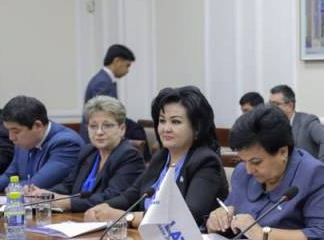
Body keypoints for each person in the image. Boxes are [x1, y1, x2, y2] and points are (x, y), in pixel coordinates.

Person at [206, 105, 324, 240]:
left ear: (282, 152)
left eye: (256, 162)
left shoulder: (314, 174)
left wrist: (262, 234)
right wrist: (216, 222)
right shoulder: (242, 173)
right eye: (244, 161)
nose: (249, 170)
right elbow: (231, 220)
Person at [85, 86, 227, 227]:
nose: (166, 128)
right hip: (143, 237)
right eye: (162, 121)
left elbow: (187, 216)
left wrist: (127, 217)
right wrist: (103, 208)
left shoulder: (206, 161)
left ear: (197, 129)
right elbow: (130, 196)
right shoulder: (160, 157)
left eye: (175, 122)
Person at [29, 96, 144, 213]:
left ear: (122, 129)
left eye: (107, 126)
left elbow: (111, 198)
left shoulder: (129, 156)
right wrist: (44, 194)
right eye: (93, 126)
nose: (99, 132)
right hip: (77, 218)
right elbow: (68, 185)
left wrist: (67, 203)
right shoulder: (88, 151)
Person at [0, 96, 83, 192]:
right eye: (9, 130)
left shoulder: (66, 143)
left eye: (16, 131)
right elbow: (10, 176)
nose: (11, 137)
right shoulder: (23, 142)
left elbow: (37, 184)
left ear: (37, 126)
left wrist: (12, 188)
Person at [269, 84, 324, 168]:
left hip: (304, 171)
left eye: (276, 104)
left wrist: (320, 169)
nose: (271, 108)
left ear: (290, 106)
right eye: (270, 104)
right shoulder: (271, 124)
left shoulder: (307, 122)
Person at [82, 44, 136, 140]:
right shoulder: (103, 82)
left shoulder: (103, 79)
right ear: (117, 61)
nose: (128, 70)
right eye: (127, 65)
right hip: (97, 138)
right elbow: (105, 114)